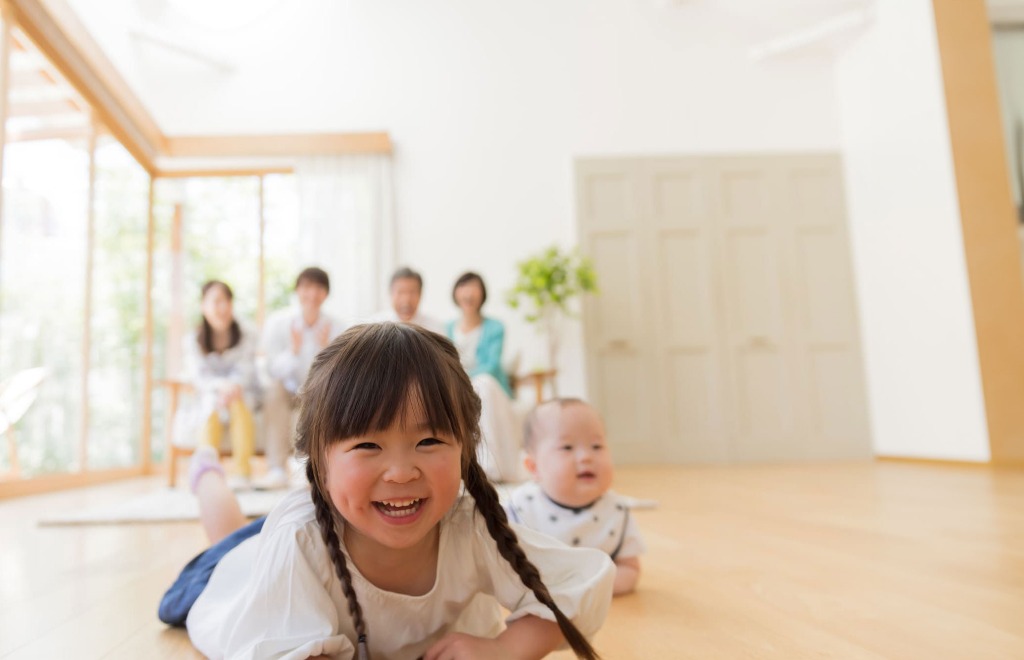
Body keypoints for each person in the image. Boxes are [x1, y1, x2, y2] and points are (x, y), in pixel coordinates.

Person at [159, 323, 614, 659]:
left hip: (331, 518)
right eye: (368, 445)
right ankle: (207, 471)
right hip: (256, 576)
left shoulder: (470, 527)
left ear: (465, 447)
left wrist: (504, 648)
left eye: (429, 441)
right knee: (227, 537)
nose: (400, 472)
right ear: (318, 459)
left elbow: (580, 585)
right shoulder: (298, 539)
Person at [506, 398, 644, 596]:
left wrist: (594, 588)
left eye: (597, 446)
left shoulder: (616, 511)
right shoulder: (520, 508)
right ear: (533, 467)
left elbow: (630, 569)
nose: (586, 457)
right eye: (567, 447)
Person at [261, 267, 344, 489]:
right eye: (306, 287)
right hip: (288, 390)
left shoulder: (336, 327)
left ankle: (305, 466)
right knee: (274, 390)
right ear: (298, 291)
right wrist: (293, 352)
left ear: (325, 294)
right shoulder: (279, 323)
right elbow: (271, 369)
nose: (312, 294)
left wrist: (325, 349)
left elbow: (339, 373)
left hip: (316, 392)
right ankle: (277, 469)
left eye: (318, 288)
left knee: (325, 392)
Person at [176, 280, 261, 488]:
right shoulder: (192, 340)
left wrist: (232, 387)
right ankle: (207, 476)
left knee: (238, 403)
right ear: (203, 306)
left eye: (226, 302)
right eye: (215, 302)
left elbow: (247, 369)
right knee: (211, 405)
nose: (222, 308)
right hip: (210, 394)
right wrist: (222, 387)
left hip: (241, 392)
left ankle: (242, 473)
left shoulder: (247, 332)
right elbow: (199, 377)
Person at [446, 271, 522, 482]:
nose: (469, 294)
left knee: (484, 384)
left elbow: (491, 364)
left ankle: (491, 467)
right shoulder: (447, 328)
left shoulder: (495, 327)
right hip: (459, 388)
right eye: (464, 288)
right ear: (456, 294)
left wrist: (465, 380)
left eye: (474, 288)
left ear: (482, 294)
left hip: (491, 389)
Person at [369, 266, 445, 334]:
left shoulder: (434, 328)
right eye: (400, 292)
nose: (406, 300)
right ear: (390, 293)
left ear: (420, 294)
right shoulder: (375, 326)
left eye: (412, 292)